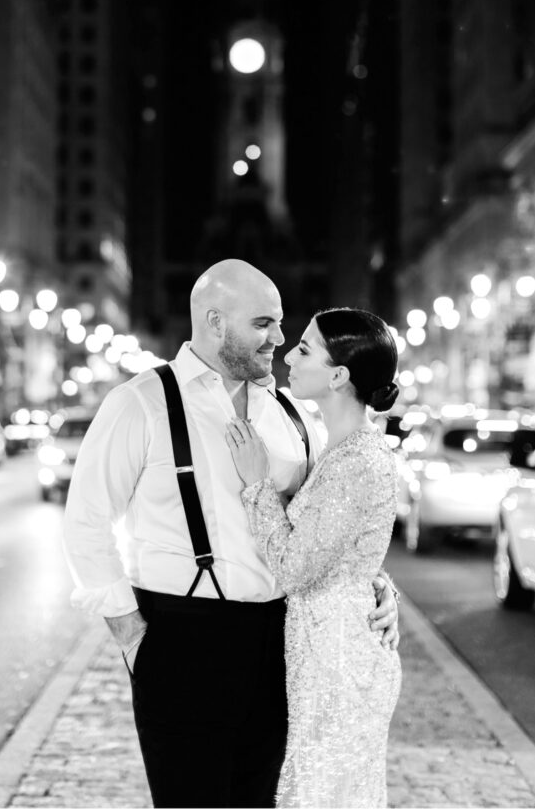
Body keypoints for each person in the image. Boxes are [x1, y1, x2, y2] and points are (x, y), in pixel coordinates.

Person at [63, 260, 399, 809]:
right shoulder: (142, 402)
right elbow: (86, 522)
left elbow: (330, 524)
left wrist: (376, 585)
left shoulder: (294, 412)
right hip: (182, 640)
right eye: (264, 324)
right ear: (216, 323)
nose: (280, 339)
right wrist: (131, 635)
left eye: (283, 324)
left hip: (282, 644)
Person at [226, 307, 402, 808]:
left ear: (339, 376)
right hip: (324, 648)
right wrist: (382, 583)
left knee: (324, 794)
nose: (288, 354)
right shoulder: (336, 447)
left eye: (304, 349)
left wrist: (257, 484)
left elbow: (295, 568)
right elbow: (349, 547)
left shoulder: (360, 460)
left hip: (339, 661)